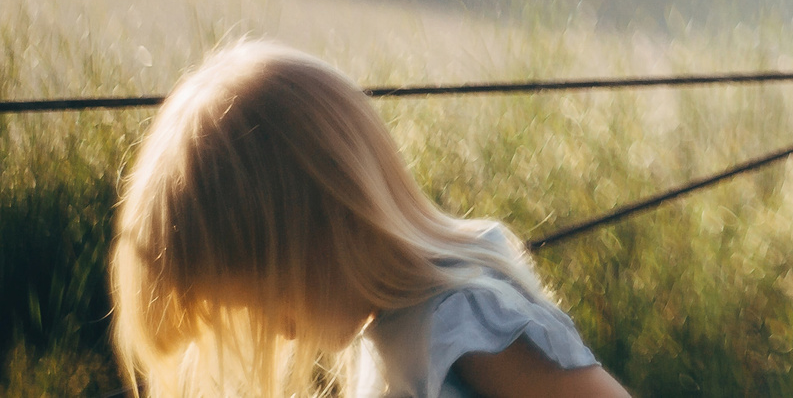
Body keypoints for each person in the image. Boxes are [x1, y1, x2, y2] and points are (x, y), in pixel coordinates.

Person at [111, 39, 629, 398]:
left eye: (269, 304)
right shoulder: (387, 329)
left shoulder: (461, 321)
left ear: (324, 231)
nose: (282, 333)